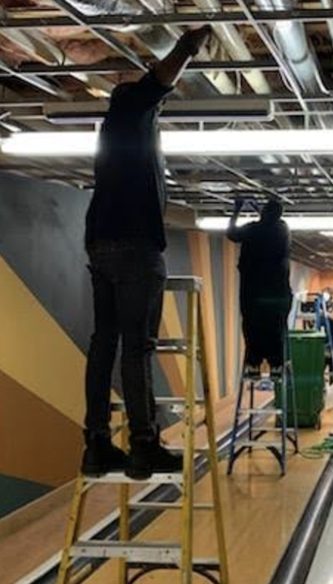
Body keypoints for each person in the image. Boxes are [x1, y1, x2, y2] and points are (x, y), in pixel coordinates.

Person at [81, 26, 212, 480]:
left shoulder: (118, 135)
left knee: (105, 344)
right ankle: (143, 445)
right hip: (134, 246)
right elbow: (158, 82)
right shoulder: (129, 109)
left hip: (100, 245)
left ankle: (96, 445)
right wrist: (188, 46)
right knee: (137, 349)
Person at [227, 198, 292, 374]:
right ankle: (277, 365)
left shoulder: (252, 229)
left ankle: (253, 364)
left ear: (264, 213)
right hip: (278, 292)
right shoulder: (282, 229)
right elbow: (268, 224)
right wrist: (260, 212)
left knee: (252, 327)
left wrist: (237, 210)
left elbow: (232, 234)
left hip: (253, 292)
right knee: (276, 328)